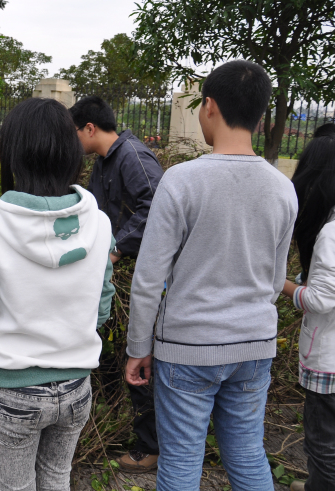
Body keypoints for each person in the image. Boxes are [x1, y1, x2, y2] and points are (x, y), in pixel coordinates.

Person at [125, 60, 297, 490]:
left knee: (182, 460)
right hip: (254, 346)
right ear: (259, 116)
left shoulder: (182, 181)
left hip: (188, 346)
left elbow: (149, 278)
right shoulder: (282, 187)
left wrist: (137, 347)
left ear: (209, 107)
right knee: (246, 454)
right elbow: (276, 281)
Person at [0, 97, 116, 490]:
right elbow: (102, 307)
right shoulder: (99, 223)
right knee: (55, 478)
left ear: (13, 154)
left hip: (14, 393)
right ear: (70, 151)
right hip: (76, 389)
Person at [69, 95, 164, 472]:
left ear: (89, 128)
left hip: (138, 281)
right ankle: (113, 420)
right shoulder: (106, 161)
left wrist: (116, 250)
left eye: (75, 133)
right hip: (112, 281)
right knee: (111, 352)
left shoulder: (133, 157)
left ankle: (150, 447)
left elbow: (154, 205)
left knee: (139, 358)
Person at [279, 134, 335, 491]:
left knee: (323, 443)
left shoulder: (330, 233)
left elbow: (320, 300)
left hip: (329, 362)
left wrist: (279, 283)